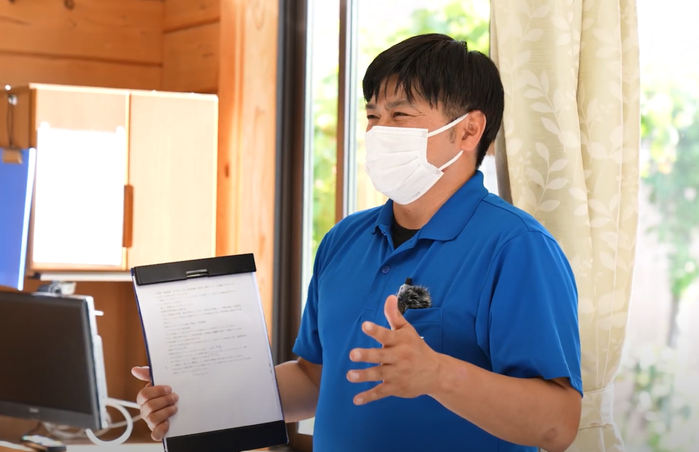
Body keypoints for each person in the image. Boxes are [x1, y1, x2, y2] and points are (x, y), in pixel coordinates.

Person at [132, 33, 582, 452]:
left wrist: (438, 374)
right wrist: (197, 399)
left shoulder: (517, 247)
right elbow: (315, 379)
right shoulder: (343, 239)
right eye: (372, 116)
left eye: (400, 115)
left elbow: (559, 424)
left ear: (468, 130)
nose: (378, 131)